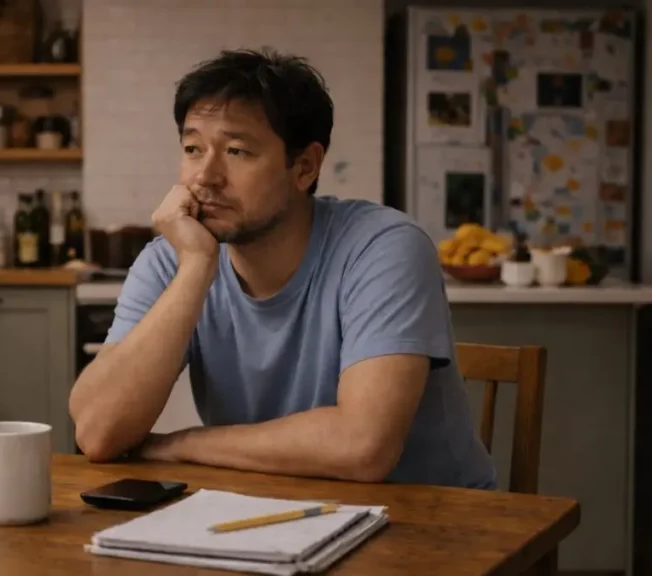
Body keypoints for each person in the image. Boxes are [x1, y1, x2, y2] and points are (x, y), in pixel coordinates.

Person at [68, 48, 497, 489]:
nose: (206, 176)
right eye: (193, 148)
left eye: (236, 151)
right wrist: (196, 266)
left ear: (305, 167)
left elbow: (363, 447)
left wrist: (180, 444)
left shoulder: (384, 247)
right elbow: (98, 434)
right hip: (274, 514)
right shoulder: (174, 257)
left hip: (432, 523)